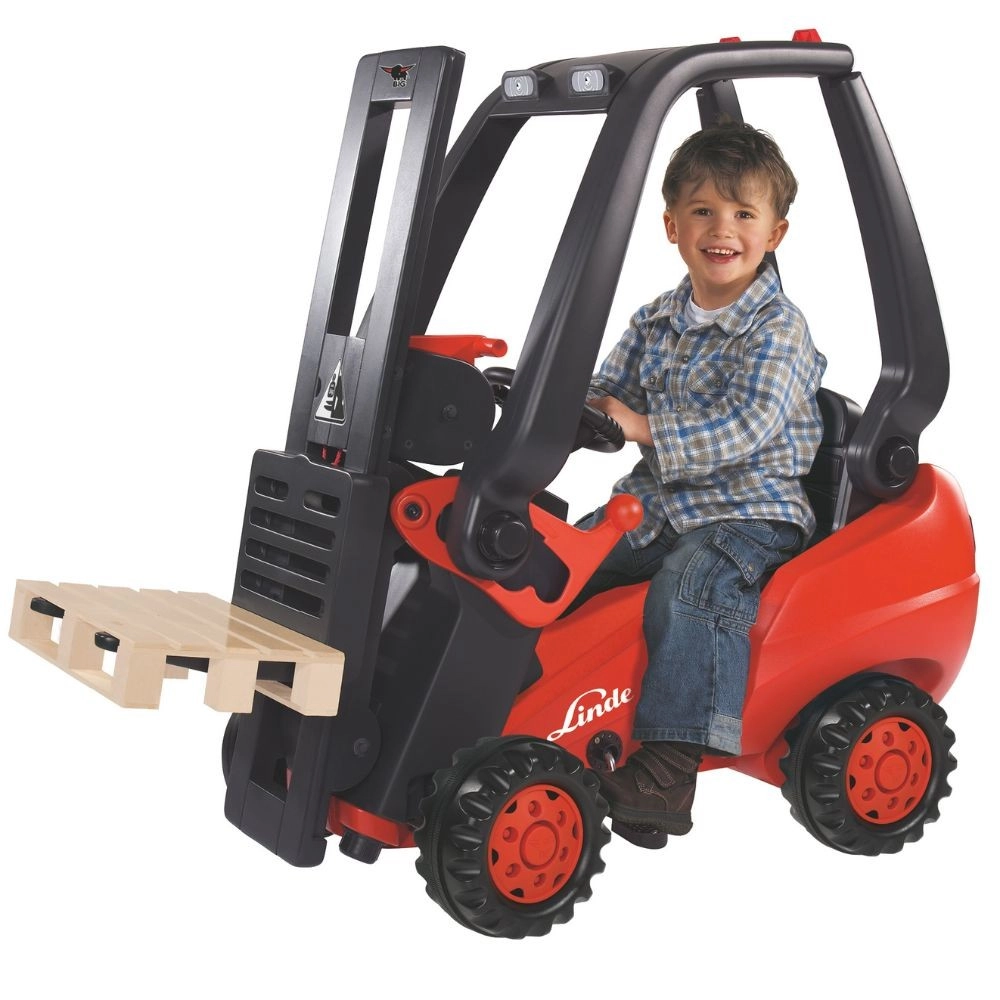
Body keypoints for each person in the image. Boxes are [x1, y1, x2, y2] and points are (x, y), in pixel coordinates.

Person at [574, 122, 827, 849]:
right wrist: (557, 407)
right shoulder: (656, 318)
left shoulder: (779, 330)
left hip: (749, 514)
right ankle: (528, 701)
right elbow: (607, 392)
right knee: (565, 560)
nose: (722, 230)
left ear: (774, 234)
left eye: (743, 213)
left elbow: (746, 427)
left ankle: (667, 773)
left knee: (691, 589)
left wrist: (640, 426)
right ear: (672, 226)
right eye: (704, 211)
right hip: (657, 506)